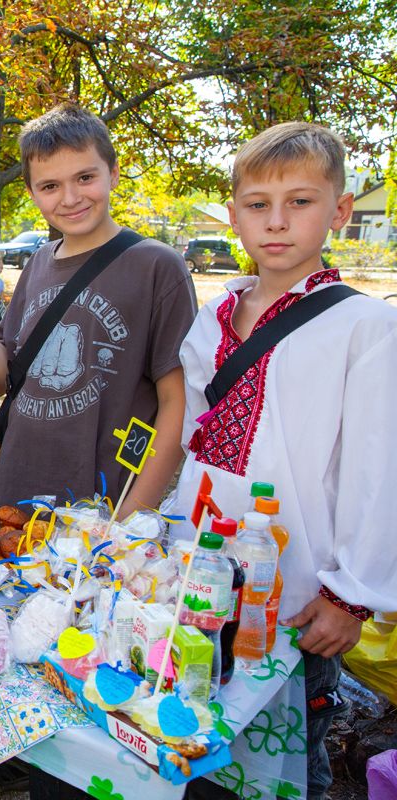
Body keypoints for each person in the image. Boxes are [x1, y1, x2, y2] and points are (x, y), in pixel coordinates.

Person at [0, 102, 195, 796]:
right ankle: (9, 753)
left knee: (82, 664)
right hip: (20, 487)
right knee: (14, 640)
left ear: (111, 172)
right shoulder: (40, 264)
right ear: (32, 192)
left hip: (99, 507)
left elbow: (177, 401)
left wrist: (132, 520)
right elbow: (7, 367)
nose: (70, 197)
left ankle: (67, 779)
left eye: (85, 178)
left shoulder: (157, 268)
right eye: (50, 186)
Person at [167, 122, 397, 800]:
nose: (276, 222)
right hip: (199, 567)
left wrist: (350, 595)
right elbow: (194, 442)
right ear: (233, 211)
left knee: (290, 750)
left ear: (341, 210)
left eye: (300, 201)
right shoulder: (214, 317)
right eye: (258, 203)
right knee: (192, 724)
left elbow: (378, 471)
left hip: (297, 589)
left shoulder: (365, 328)